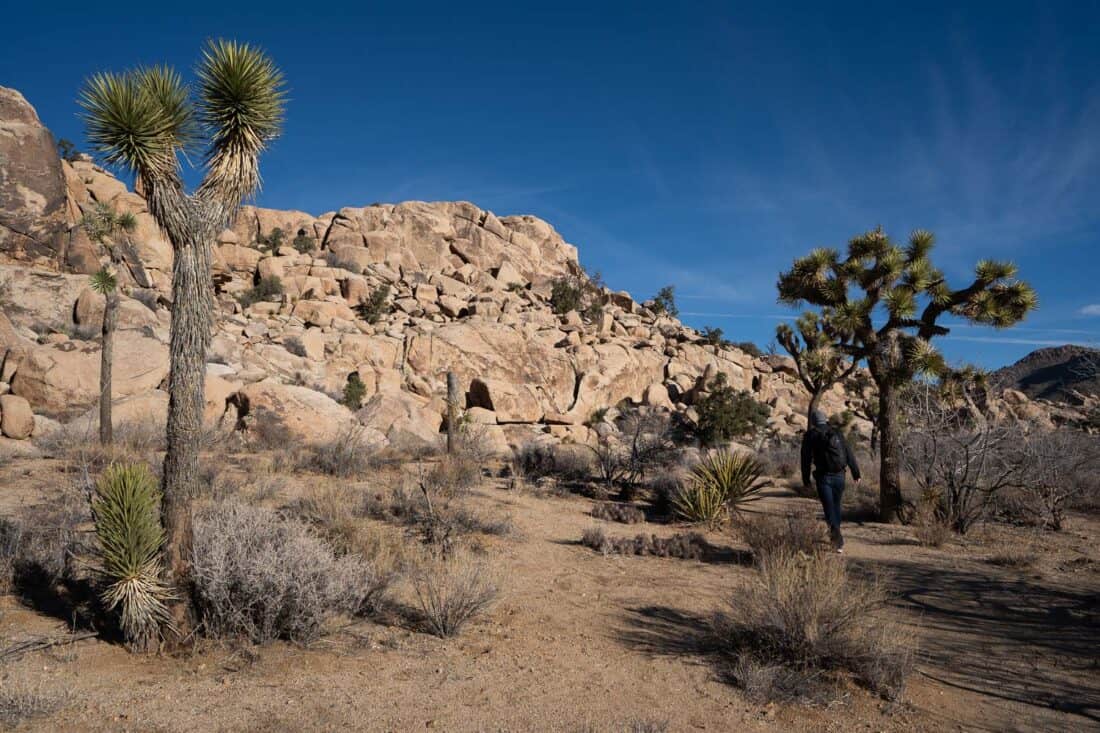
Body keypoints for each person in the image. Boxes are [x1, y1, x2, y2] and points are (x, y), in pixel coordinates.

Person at [801, 409, 860, 552]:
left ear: (814, 421)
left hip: (823, 477)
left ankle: (837, 540)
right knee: (835, 506)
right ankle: (836, 535)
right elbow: (848, 452)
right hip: (840, 475)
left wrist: (806, 479)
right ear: (825, 419)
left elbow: (805, 459)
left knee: (828, 509)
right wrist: (856, 473)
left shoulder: (811, 435)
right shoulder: (837, 432)